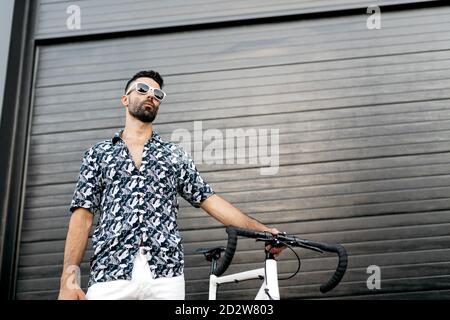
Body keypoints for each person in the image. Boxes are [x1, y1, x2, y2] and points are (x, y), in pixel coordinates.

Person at [57, 70, 285, 300]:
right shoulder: (98, 154)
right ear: (125, 99)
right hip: (110, 274)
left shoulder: (173, 155)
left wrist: (262, 230)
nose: (151, 95)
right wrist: (68, 281)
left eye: (157, 93)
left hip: (166, 276)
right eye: (142, 89)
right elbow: (82, 218)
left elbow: (209, 199)